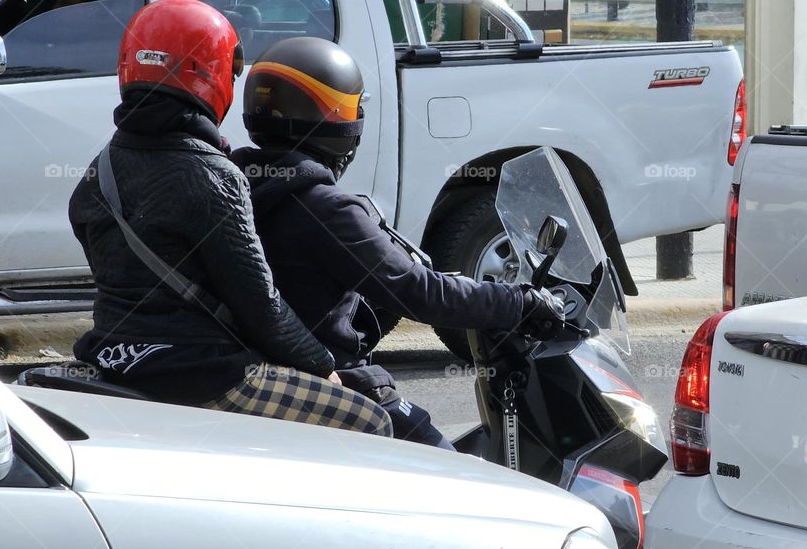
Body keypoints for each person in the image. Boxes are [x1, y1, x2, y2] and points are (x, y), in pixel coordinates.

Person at [68, 0, 391, 437]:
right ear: (210, 74)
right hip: (200, 371)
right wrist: (324, 366)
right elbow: (262, 305)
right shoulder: (214, 175)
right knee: (369, 420)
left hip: (113, 357)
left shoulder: (97, 170)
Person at [231, 37, 565, 448]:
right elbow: (419, 292)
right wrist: (519, 302)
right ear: (337, 116)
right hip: (334, 378)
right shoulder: (324, 208)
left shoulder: (239, 184)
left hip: (272, 372)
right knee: (448, 467)